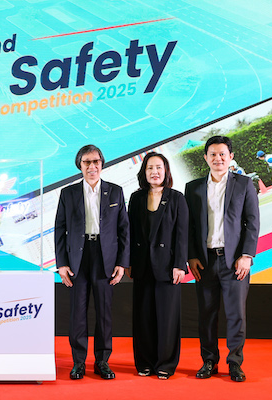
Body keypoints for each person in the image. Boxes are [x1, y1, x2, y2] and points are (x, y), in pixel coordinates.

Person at [186, 136, 259, 382]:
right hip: (205, 262)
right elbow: (189, 227)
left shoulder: (244, 184)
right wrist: (191, 256)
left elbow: (252, 222)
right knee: (207, 314)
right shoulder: (193, 188)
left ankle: (235, 363)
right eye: (213, 154)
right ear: (205, 158)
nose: (218, 158)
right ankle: (209, 361)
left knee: (236, 314)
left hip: (234, 262)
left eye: (222, 154)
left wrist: (246, 256)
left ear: (231, 157)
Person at [54, 144, 129, 380]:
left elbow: (124, 229)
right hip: (78, 257)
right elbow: (60, 229)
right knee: (78, 312)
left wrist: (122, 263)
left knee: (104, 312)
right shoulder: (68, 193)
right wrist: (61, 263)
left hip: (105, 258)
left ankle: (102, 361)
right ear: (80, 165)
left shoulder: (115, 191)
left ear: (102, 164)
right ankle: (78, 362)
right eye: (87, 162)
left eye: (96, 161)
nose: (92, 166)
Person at [126, 152, 188, 380]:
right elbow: (129, 233)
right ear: (144, 172)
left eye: (158, 167)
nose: (154, 172)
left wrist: (179, 264)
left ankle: (166, 363)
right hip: (141, 266)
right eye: (150, 168)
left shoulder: (177, 198)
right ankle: (144, 362)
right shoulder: (136, 198)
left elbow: (182, 235)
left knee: (167, 318)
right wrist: (128, 262)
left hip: (168, 267)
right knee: (143, 317)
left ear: (166, 170)